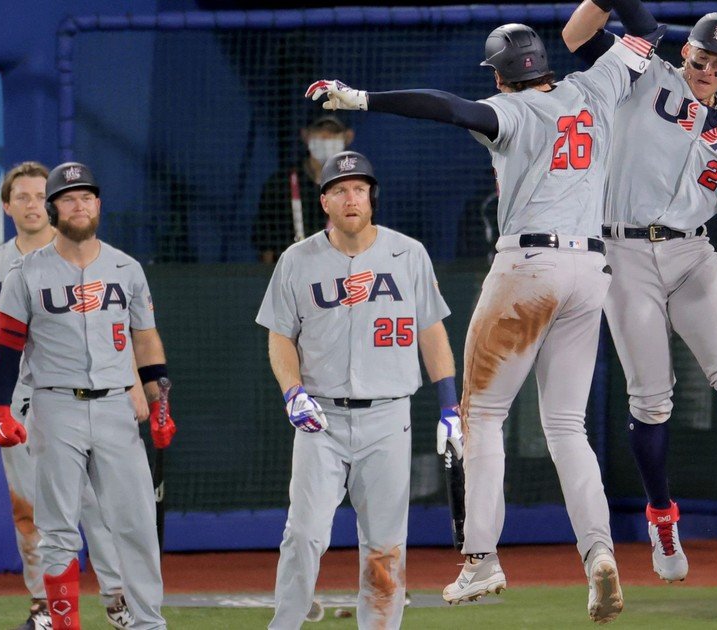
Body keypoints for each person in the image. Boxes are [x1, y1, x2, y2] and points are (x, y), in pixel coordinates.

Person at [306, 1, 661, 622]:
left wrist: (360, 99)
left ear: (499, 74)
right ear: (542, 63)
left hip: (530, 268)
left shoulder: (511, 109)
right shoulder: (596, 85)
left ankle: (481, 561)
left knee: (484, 416)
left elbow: (445, 107)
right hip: (591, 272)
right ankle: (599, 554)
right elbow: (649, 30)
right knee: (567, 427)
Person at [561, 6, 717, 583]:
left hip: (692, 251)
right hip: (622, 253)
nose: (708, 70)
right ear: (686, 53)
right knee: (652, 401)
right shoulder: (642, 75)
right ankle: (660, 514)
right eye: (702, 58)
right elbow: (576, 34)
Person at [256, 150, 458, 629]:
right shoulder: (296, 260)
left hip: (388, 417)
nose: (352, 198)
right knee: (303, 534)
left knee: (385, 545)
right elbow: (280, 335)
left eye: (360, 189)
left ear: (372, 198)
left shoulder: (408, 253)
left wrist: (450, 405)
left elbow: (431, 331)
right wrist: (292, 391)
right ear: (324, 200)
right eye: (341, 190)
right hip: (319, 417)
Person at [0, 161, 177, 629]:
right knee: (56, 530)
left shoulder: (126, 268)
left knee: (135, 524)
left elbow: (146, 338)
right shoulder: (25, 273)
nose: (79, 205)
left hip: (116, 405)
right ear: (53, 209)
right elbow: (6, 345)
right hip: (54, 405)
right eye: (69, 198)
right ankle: (65, 623)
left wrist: (160, 402)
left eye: (87, 197)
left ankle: (149, 623)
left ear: (98, 204)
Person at [0, 161, 136, 629]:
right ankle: (44, 607)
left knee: (95, 498)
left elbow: (119, 328)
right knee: (31, 506)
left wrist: (133, 384)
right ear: (8, 206)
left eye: (40, 196)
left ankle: (118, 597)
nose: (33, 205)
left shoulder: (86, 255)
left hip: (79, 395)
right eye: (24, 197)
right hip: (18, 396)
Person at [253, 115, 355, 263]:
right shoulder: (279, 184)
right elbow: (265, 247)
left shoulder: (356, 188)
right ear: (306, 135)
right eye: (320, 132)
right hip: (290, 278)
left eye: (333, 133)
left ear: (348, 137)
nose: (326, 139)